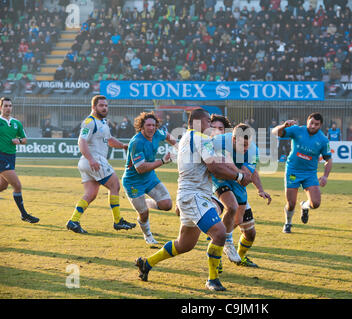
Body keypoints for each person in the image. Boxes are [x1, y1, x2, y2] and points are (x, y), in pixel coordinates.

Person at [134, 109, 252, 292]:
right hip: (194, 195)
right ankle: (213, 279)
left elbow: (214, 163)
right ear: (200, 121)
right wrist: (238, 176)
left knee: (184, 244)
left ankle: (147, 263)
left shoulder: (188, 137)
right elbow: (214, 167)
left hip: (191, 195)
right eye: (209, 122)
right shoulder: (200, 138)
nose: (211, 126)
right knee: (220, 233)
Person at [66, 95, 136, 234]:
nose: (104, 108)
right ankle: (118, 221)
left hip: (89, 162)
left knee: (90, 194)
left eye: (106, 105)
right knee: (115, 185)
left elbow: (109, 140)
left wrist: (122, 145)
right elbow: (82, 141)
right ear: (93, 107)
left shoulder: (103, 122)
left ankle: (73, 221)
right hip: (94, 160)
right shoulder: (89, 122)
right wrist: (91, 159)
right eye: (101, 105)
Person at [212, 123, 272, 268]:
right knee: (231, 207)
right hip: (219, 179)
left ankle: (227, 245)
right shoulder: (218, 142)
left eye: (247, 145)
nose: (245, 148)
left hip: (237, 181)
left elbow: (246, 176)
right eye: (242, 145)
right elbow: (215, 164)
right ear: (233, 139)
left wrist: (260, 189)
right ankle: (221, 244)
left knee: (240, 222)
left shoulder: (253, 150)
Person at [122, 112, 178, 245]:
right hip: (133, 182)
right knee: (144, 214)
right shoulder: (137, 142)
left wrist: (178, 146)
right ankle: (147, 235)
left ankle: (145, 202)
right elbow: (140, 168)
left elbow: (168, 136)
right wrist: (163, 161)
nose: (151, 128)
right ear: (141, 127)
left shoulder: (157, 133)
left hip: (150, 177)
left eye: (153, 125)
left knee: (167, 205)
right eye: (148, 125)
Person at [271, 113, 333, 233]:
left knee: (315, 203)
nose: (313, 126)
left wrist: (325, 176)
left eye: (316, 124)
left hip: (310, 174)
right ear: (307, 121)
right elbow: (275, 132)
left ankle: (304, 206)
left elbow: (328, 159)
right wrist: (284, 126)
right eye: (311, 123)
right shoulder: (297, 130)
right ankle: (288, 223)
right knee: (291, 203)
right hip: (293, 171)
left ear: (320, 125)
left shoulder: (323, 140)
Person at [0, 97, 40, 224]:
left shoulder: (17, 123)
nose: (8, 108)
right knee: (17, 185)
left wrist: (19, 141)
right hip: (1, 156)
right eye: (5, 106)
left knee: (3, 185)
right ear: (0, 107)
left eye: (10, 106)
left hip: (11, 157)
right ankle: (24, 214)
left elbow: (24, 139)